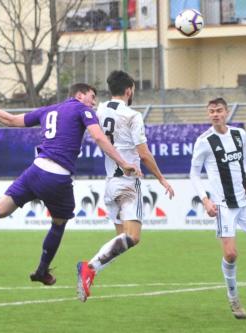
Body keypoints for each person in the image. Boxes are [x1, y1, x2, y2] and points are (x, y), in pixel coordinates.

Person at [0, 83, 142, 285]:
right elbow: (99, 137)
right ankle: (41, 270)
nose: (94, 103)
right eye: (92, 97)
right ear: (79, 95)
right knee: (59, 223)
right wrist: (123, 162)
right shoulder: (82, 110)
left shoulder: (48, 110)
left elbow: (10, 120)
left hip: (35, 170)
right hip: (58, 176)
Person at [76, 70, 174, 302]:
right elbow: (144, 153)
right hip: (128, 183)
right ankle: (89, 267)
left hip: (110, 183)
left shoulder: (97, 111)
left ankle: (90, 272)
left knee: (120, 240)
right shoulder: (132, 115)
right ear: (129, 90)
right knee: (134, 237)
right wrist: (161, 178)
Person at [189, 97, 246, 319]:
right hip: (223, 205)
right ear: (208, 114)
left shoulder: (239, 134)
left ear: (227, 112)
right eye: (211, 111)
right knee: (231, 254)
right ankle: (233, 299)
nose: (215, 114)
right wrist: (205, 200)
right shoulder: (204, 141)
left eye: (219, 110)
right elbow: (194, 173)